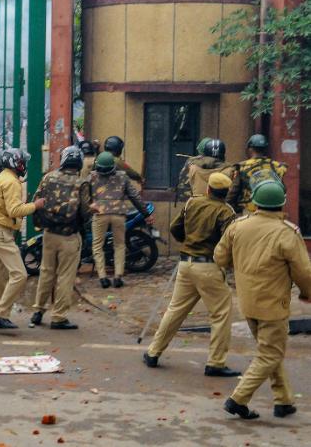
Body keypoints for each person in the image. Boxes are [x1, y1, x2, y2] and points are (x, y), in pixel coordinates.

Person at [215, 181, 311, 420]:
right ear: (282, 204)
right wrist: (307, 293)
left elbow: (219, 257)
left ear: (254, 201)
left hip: (247, 301)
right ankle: (238, 399)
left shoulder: (238, 226)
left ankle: (284, 400)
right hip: (273, 304)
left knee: (269, 351)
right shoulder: (287, 232)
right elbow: (304, 272)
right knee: (270, 353)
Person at [143, 172, 240, 376]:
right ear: (226, 193)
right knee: (221, 314)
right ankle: (216, 362)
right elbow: (228, 243)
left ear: (208, 189)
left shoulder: (192, 203)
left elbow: (174, 228)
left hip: (186, 265)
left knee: (175, 310)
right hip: (209, 267)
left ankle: (153, 352)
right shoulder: (226, 212)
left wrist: (189, 241)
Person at [29, 146, 92, 330]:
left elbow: (37, 201)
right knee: (65, 276)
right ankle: (58, 317)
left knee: (46, 272)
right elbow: (86, 212)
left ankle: (38, 311)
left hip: (49, 234)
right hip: (69, 236)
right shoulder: (82, 183)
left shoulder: (48, 177)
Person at [0, 148, 44, 329]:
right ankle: (0, 313)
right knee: (20, 275)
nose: (23, 165)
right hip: (2, 234)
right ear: (13, 163)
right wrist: (36, 205)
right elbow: (14, 211)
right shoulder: (11, 182)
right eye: (21, 161)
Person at [88, 152, 152, 289]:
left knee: (97, 246)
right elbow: (134, 196)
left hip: (99, 214)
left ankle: (103, 277)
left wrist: (88, 207)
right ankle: (118, 276)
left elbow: (84, 194)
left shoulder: (91, 177)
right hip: (119, 214)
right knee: (119, 245)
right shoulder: (122, 177)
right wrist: (146, 213)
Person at [226, 134, 287, 214]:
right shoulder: (277, 166)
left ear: (250, 149)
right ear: (265, 149)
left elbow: (233, 193)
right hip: (272, 212)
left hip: (248, 212)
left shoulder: (242, 167)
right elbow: (283, 190)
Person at [174, 137, 211, 202]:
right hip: (197, 199)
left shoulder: (191, 161)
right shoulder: (194, 162)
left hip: (193, 199)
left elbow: (182, 183)